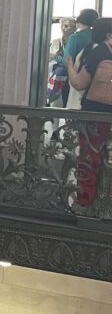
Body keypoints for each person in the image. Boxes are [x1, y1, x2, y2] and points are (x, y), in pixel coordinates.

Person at [66, 17, 112, 207]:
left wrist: (70, 66)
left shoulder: (98, 52)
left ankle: (85, 204)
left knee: (89, 160)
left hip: (94, 116)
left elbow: (79, 83)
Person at [64, 9, 100, 110]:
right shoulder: (97, 37)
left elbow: (66, 61)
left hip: (76, 77)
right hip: (95, 81)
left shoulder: (75, 37)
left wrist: (56, 57)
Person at [48, 17, 75, 107]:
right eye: (62, 26)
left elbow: (67, 60)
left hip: (69, 74)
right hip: (53, 73)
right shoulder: (55, 41)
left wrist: (55, 57)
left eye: (66, 26)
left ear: (74, 28)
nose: (64, 28)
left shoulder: (75, 41)